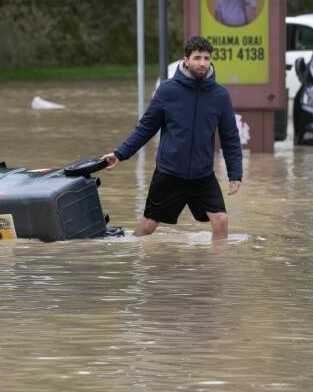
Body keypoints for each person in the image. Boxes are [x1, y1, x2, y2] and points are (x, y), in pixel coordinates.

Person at [98, 36, 242, 243]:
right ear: (186, 60)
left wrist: (235, 173)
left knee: (220, 220)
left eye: (206, 58)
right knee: (148, 226)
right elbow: (146, 127)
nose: (202, 63)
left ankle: (215, 272)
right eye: (197, 58)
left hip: (202, 175)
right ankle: (136, 259)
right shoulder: (167, 90)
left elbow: (230, 137)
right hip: (170, 173)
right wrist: (121, 154)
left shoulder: (220, 95)